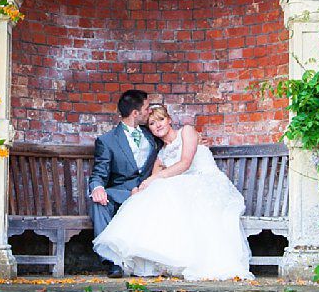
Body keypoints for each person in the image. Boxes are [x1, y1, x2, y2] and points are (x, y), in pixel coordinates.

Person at [92, 105, 253, 281]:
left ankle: (192, 259)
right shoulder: (161, 154)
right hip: (183, 188)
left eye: (161, 119)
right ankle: (151, 255)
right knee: (153, 193)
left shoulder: (187, 132)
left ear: (169, 120)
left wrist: (154, 179)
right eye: (152, 123)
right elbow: (153, 181)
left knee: (168, 189)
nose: (158, 125)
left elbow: (185, 163)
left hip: (206, 182)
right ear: (149, 129)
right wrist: (140, 188)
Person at [88, 89, 162, 278]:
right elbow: (99, 173)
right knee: (99, 202)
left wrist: (195, 142)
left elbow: (172, 143)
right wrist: (97, 188)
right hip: (123, 193)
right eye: (147, 108)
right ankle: (112, 262)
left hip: (150, 191)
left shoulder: (152, 134)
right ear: (135, 113)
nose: (150, 111)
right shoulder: (107, 141)